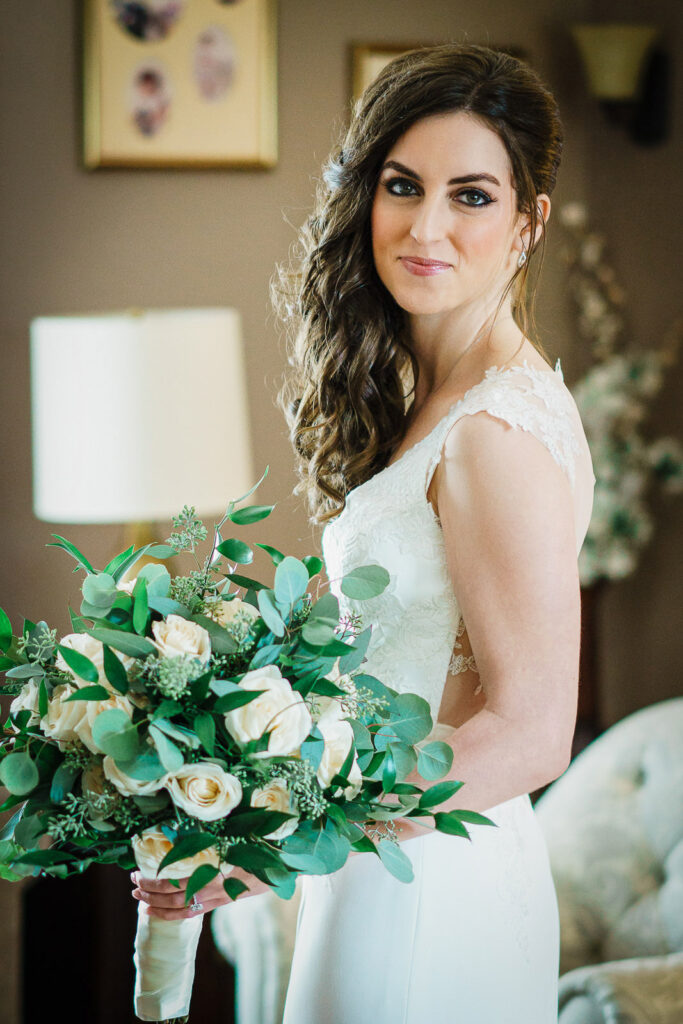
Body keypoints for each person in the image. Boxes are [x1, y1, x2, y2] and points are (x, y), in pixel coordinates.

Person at [132, 43, 596, 1023]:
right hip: (389, 862)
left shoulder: (494, 433)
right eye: (401, 185)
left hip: (435, 890)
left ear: (527, 222)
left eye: (470, 195)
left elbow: (528, 731)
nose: (425, 226)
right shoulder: (433, 400)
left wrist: (281, 841)